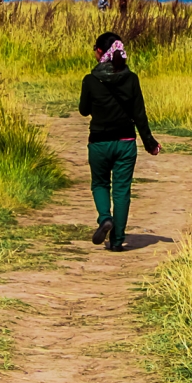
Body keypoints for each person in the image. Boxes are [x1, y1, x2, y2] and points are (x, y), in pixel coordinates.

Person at [78, 31, 160, 252]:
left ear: (99, 52)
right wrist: (150, 143)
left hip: (99, 143)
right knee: (122, 191)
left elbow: (83, 111)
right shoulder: (131, 79)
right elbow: (140, 115)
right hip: (126, 142)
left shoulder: (90, 80)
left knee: (100, 184)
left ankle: (105, 217)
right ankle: (117, 241)